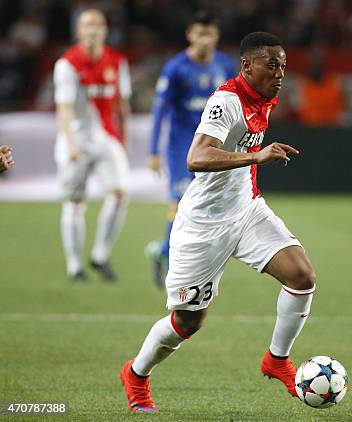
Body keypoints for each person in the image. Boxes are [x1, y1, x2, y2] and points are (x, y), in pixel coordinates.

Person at [120, 32, 315, 413]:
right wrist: (257, 157)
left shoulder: (266, 96)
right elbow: (197, 157)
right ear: (247, 65)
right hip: (204, 225)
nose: (280, 74)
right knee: (187, 323)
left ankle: (277, 360)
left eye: (283, 66)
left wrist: (251, 171)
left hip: (247, 210)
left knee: (302, 276)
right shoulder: (226, 101)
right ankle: (137, 374)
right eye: (271, 65)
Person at [147, 11, 236, 287]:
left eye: (209, 34)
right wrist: (153, 151)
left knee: (210, 208)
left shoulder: (225, 65)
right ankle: (174, 261)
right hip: (182, 151)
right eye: (199, 33)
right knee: (179, 203)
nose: (205, 39)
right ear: (189, 35)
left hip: (215, 149)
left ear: (217, 36)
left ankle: (161, 251)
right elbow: (159, 109)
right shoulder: (176, 68)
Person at [54, 9, 131, 282]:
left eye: (98, 24)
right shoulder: (67, 64)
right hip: (75, 140)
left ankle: (99, 255)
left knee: (121, 193)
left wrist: (125, 140)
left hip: (107, 139)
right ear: (78, 31)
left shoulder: (117, 62)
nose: (93, 30)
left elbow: (122, 105)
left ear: (106, 30)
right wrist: (72, 145)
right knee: (74, 202)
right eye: (87, 25)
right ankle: (74, 266)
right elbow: (63, 108)